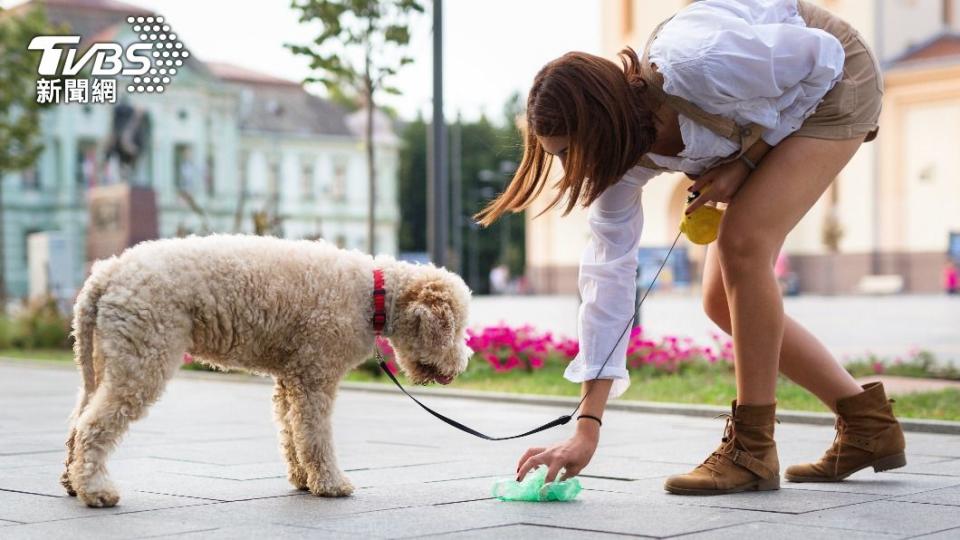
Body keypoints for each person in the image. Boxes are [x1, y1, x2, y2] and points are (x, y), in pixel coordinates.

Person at [477, 0, 905, 495]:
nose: (571, 168)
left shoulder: (698, 62)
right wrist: (586, 428)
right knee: (719, 299)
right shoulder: (621, 160)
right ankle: (867, 426)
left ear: (604, 123)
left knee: (743, 243)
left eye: (571, 151)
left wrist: (747, 163)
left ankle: (752, 450)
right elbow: (607, 281)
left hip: (832, 78)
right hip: (777, 100)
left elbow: (821, 58)